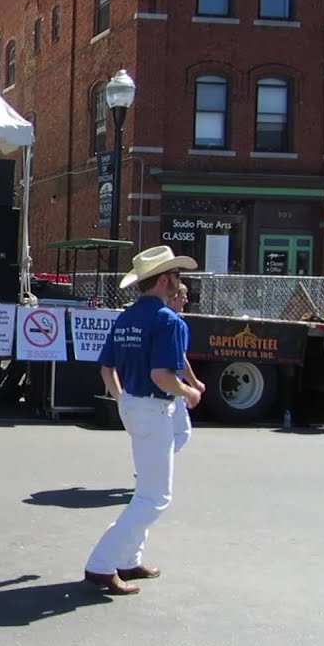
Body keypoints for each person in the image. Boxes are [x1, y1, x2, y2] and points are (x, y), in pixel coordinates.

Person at [84, 245, 200, 596]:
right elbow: (163, 375)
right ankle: (101, 563)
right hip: (153, 406)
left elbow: (107, 367)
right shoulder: (168, 320)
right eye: (176, 278)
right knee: (155, 497)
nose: (178, 284)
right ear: (165, 280)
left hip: (132, 404)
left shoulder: (127, 316)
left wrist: (123, 399)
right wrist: (190, 393)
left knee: (147, 489)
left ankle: (129, 559)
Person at [167, 282, 205, 452]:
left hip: (157, 385)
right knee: (182, 431)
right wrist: (195, 384)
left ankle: (150, 466)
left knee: (161, 431)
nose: (186, 300)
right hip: (171, 384)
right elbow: (180, 358)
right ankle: (158, 464)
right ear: (173, 298)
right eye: (183, 297)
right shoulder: (177, 323)